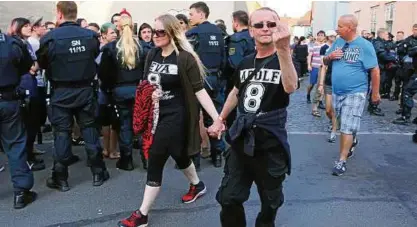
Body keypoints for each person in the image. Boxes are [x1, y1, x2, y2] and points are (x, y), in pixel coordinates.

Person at [118, 14, 223, 227]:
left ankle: (142, 214)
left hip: (177, 116)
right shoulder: (152, 54)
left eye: (160, 32)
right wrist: (150, 94)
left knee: (155, 156)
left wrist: (217, 118)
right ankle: (197, 184)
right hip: (155, 115)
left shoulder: (185, 58)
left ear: (173, 32)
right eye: (153, 32)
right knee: (180, 154)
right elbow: (145, 83)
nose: (155, 36)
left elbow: (199, 90)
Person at [208, 7, 298, 227]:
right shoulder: (246, 62)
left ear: (280, 27)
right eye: (259, 25)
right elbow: (236, 91)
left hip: (270, 141)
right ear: (250, 31)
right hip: (241, 139)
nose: (265, 28)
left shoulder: (283, 59)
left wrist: (284, 50)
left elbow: (290, 86)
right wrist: (220, 119)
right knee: (228, 198)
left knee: (271, 201)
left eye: (271, 24)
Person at [36, 1, 109, 191]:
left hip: (61, 92)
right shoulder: (90, 36)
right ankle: (98, 172)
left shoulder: (50, 38)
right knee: (89, 130)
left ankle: (61, 178)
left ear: (59, 13)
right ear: (75, 13)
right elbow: (94, 56)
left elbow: (43, 64)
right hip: (85, 90)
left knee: (62, 133)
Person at [322, 14, 380, 176]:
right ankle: (352, 140)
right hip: (337, 91)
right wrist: (330, 57)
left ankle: (341, 160)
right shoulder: (338, 42)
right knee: (341, 121)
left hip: (356, 92)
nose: (337, 28)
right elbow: (325, 61)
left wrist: (375, 93)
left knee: (346, 127)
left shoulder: (365, 45)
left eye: (340, 26)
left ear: (350, 28)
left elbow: (375, 70)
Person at [99, 14, 146, 170]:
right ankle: (146, 159)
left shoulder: (110, 48)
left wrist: (109, 89)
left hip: (119, 91)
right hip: (138, 89)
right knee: (141, 125)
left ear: (117, 28)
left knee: (125, 125)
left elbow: (104, 74)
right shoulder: (142, 48)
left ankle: (127, 160)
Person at [0, 29, 36, 209]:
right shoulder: (12, 44)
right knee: (15, 145)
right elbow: (25, 67)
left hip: (9, 99)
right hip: (8, 100)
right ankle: (21, 192)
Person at [187, 1, 226, 168]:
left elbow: (187, 58)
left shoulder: (193, 33)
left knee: (194, 119)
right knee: (214, 117)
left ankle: (195, 159)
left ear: (201, 14)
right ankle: (217, 154)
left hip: (198, 81)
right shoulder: (219, 32)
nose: (189, 17)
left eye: (191, 14)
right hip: (215, 79)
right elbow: (224, 59)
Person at [317, 30, 338, 143]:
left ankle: (334, 131)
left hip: (339, 83)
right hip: (329, 82)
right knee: (328, 110)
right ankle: (333, 121)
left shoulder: (343, 49)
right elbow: (323, 67)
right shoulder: (327, 50)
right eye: (331, 36)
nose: (333, 38)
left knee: (334, 109)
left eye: (335, 36)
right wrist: (321, 84)